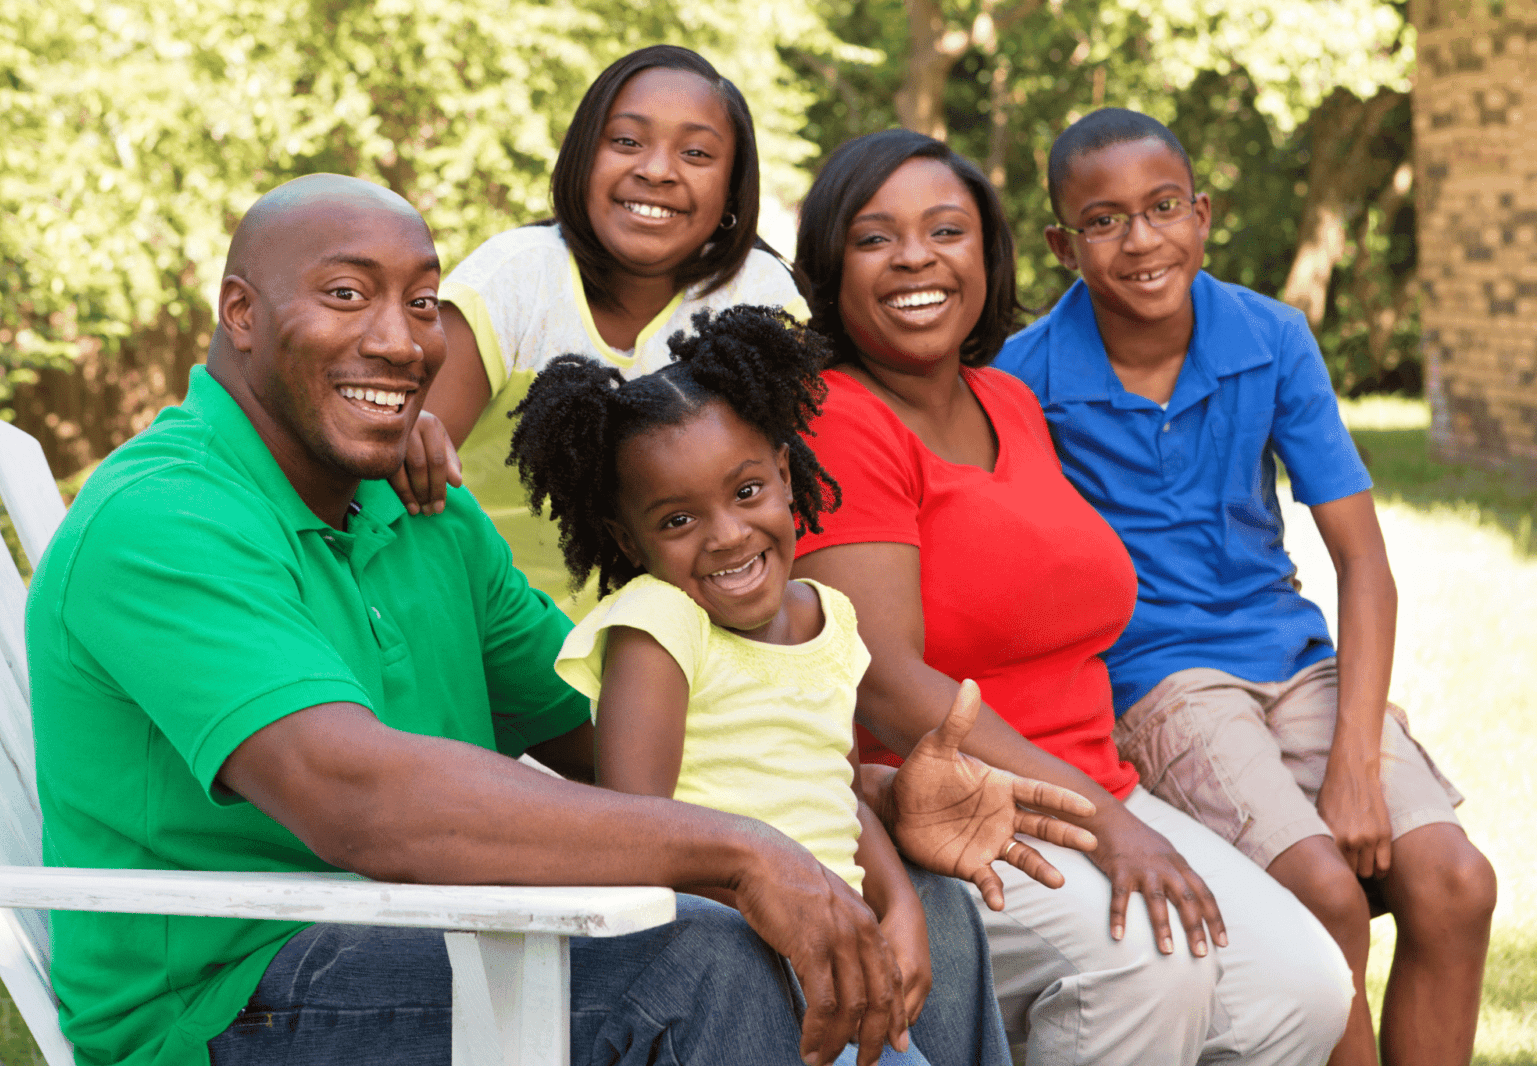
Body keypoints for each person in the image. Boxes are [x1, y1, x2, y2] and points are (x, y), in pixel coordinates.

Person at [24, 173, 1083, 1066]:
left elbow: (618, 736)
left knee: (923, 912)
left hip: (440, 925)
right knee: (703, 951)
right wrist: (745, 855)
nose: (398, 340)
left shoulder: (420, 512)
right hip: (236, 989)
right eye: (347, 295)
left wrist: (866, 799)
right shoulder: (164, 518)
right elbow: (357, 799)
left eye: (425, 302)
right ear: (241, 313)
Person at [788, 128, 1353, 1066]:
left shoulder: (1005, 399)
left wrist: (1112, 808)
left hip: (1094, 777)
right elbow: (886, 679)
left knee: (1301, 986)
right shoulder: (839, 417)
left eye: (946, 230)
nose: (917, 257)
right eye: (875, 238)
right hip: (952, 810)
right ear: (832, 270)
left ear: (987, 252)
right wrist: (1110, 823)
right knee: (1147, 969)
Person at [991, 107, 1497, 1066]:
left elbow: (1364, 564)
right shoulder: (1026, 379)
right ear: (1062, 243)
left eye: (1164, 206)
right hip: (1160, 679)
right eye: (1102, 220)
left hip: (1293, 659)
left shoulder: (1271, 336)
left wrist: (1354, 762)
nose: (1141, 239)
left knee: (1455, 880)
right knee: (1326, 892)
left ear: (1204, 214)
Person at [508, 305, 1102, 1066]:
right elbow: (640, 833)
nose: (726, 533)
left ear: (786, 477)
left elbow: (840, 791)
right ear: (629, 541)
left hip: (841, 947)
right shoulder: (658, 625)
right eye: (679, 519)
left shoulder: (832, 617)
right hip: (733, 959)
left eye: (747, 492)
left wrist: (898, 910)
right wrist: (792, 914)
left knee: (940, 923)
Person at [389, 45, 805, 613]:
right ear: (584, 157)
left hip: (704, 642)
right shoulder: (516, 275)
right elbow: (409, 468)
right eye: (627, 142)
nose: (657, 169)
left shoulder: (757, 294)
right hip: (500, 631)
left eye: (697, 153)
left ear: (733, 188)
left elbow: (783, 496)